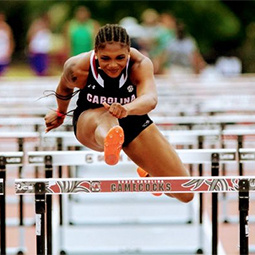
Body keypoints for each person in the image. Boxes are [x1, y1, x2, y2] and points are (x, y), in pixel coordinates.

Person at [44, 24, 194, 203]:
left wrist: (127, 109)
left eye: (120, 58)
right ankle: (110, 141)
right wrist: (61, 113)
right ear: (96, 52)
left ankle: (147, 171)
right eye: (105, 58)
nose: (113, 65)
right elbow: (64, 88)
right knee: (108, 117)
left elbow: (150, 99)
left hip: (131, 119)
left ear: (129, 52)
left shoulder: (140, 64)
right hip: (90, 120)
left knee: (184, 192)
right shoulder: (77, 67)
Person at [0, 11, 15, 76]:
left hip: (4, 50)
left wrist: (10, 50)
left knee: (3, 69)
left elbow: (11, 39)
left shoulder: (7, 28)